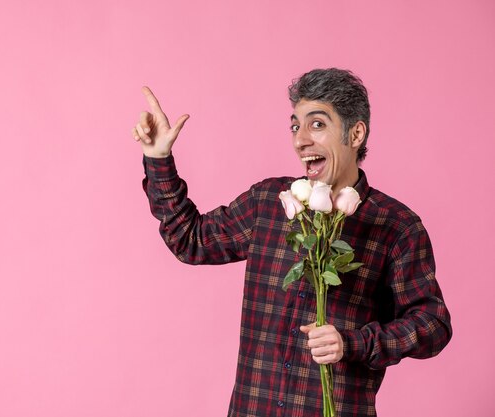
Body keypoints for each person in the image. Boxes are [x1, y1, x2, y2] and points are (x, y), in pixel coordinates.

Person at [132, 68, 452, 417]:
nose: (300, 140)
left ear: (356, 133)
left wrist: (353, 343)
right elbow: (190, 240)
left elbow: (432, 324)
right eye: (295, 126)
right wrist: (158, 158)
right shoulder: (270, 201)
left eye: (317, 125)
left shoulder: (395, 225)